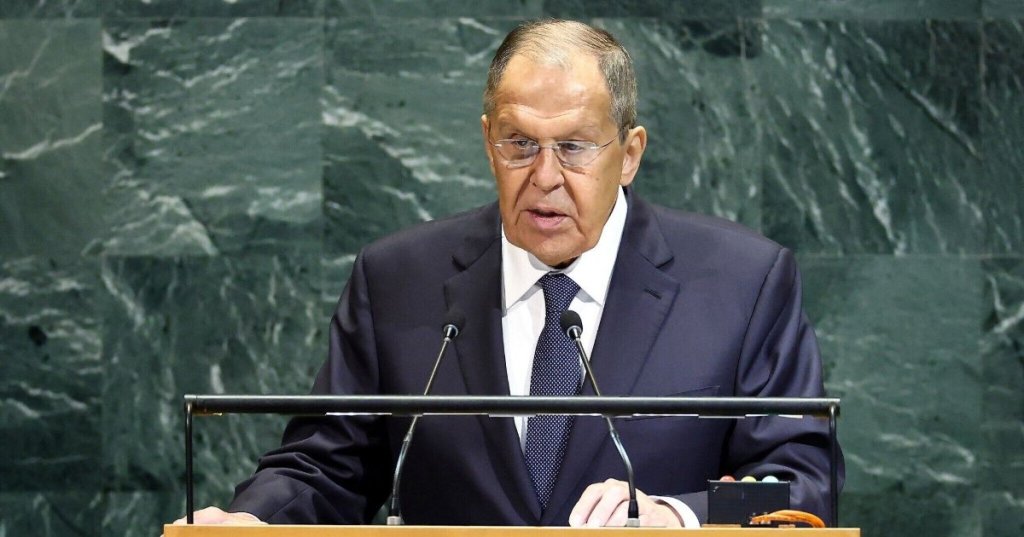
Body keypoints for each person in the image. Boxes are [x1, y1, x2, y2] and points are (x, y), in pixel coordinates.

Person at [176, 19, 842, 529]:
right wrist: (256, 519)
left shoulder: (741, 282)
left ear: (630, 153)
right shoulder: (398, 278)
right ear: (487, 139)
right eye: (519, 144)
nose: (544, 176)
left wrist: (678, 514)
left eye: (575, 147)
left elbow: (796, 482)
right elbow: (327, 461)